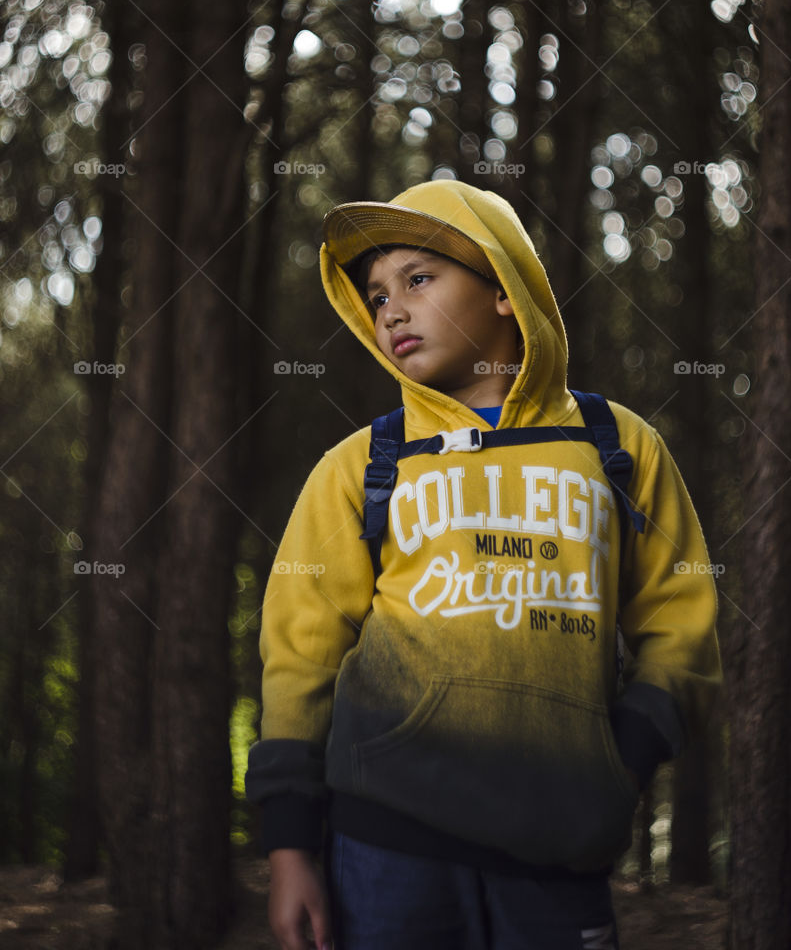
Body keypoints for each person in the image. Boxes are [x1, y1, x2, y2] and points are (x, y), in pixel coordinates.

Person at [245, 179, 722, 950]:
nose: (390, 310)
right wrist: (291, 846)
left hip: (559, 853)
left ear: (504, 292)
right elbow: (299, 657)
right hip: (383, 845)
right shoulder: (363, 464)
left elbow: (682, 624)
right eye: (374, 296)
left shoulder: (616, 446)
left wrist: (622, 761)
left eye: (417, 279)